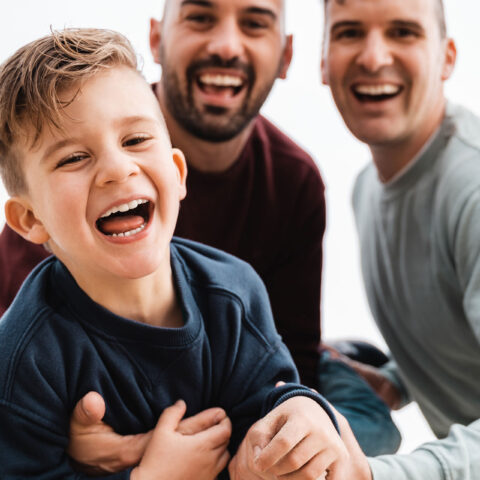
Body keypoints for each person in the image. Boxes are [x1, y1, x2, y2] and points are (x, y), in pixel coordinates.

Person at [0, 0, 400, 461]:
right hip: (109, 391)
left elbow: (284, 376)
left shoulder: (281, 201)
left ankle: (349, 363)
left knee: (354, 430)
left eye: (253, 23)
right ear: (159, 38)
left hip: (233, 354)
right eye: (200, 17)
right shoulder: (32, 345)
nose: (116, 168)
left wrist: (296, 411)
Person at [320, 0, 480, 478]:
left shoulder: (471, 189)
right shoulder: (367, 189)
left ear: (447, 57)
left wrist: (377, 475)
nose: (373, 57)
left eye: (403, 32)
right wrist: (397, 379)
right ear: (322, 61)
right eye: (349, 32)